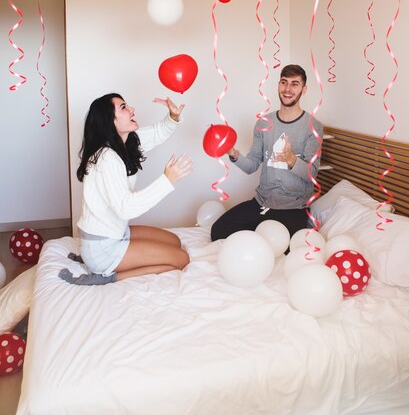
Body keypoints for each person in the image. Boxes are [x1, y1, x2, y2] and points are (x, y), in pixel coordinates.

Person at [59, 93, 192, 285]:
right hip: (103, 249)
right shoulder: (107, 158)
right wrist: (167, 180)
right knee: (181, 260)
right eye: (123, 107)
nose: (132, 109)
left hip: (115, 233)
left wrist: (172, 116)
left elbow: (156, 133)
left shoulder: (125, 143)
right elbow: (126, 208)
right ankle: (106, 276)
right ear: (109, 121)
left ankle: (106, 263)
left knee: (175, 242)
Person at [211, 64, 323, 241]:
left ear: (304, 89)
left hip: (293, 208)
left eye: (295, 84)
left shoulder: (313, 126)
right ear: (278, 85)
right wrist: (233, 153)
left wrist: (291, 159)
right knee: (218, 232)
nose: (287, 89)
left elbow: (312, 174)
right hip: (262, 203)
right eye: (284, 82)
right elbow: (251, 165)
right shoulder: (264, 123)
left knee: (281, 247)